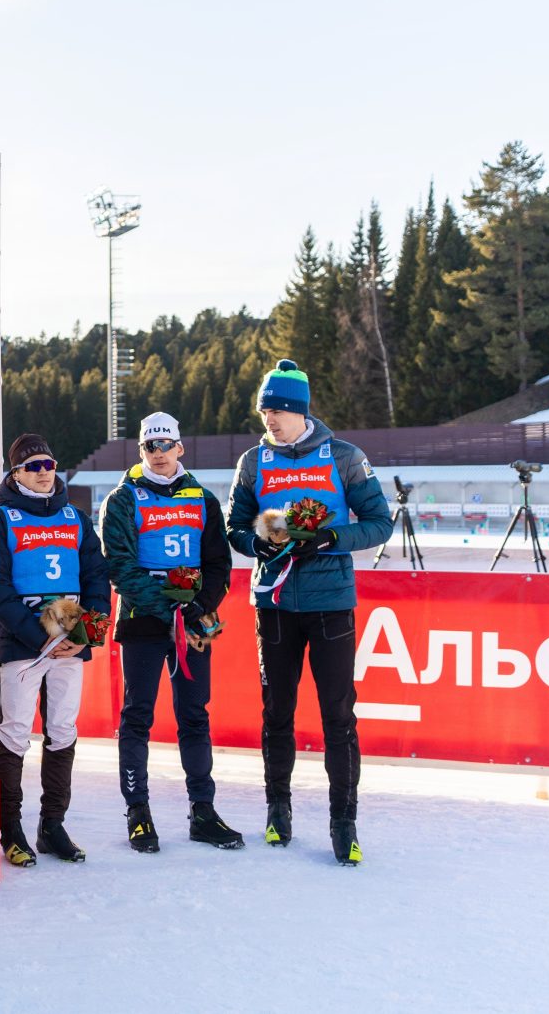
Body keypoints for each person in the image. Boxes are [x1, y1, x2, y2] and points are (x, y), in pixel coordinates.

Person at [225, 359, 392, 865]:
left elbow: (379, 523)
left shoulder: (343, 457)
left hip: (330, 604)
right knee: (277, 711)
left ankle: (344, 821)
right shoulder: (253, 461)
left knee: (338, 715)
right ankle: (278, 809)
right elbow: (235, 526)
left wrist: (330, 538)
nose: (268, 420)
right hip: (274, 604)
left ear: (299, 411)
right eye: (264, 412)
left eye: (275, 411)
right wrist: (258, 544)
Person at [98, 412, 242, 854]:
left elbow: (219, 564)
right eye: (150, 446)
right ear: (141, 450)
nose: (158, 453)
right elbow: (120, 568)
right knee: (138, 716)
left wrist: (199, 608)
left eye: (166, 445)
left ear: (180, 447)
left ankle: (203, 811)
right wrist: (171, 610)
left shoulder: (203, 499)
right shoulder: (123, 499)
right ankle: (138, 812)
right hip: (143, 620)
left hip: (193, 624)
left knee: (195, 715)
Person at [0, 433, 110, 867]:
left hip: (70, 645)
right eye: (33, 466)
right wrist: (39, 637)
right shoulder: (0, 521)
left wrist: (88, 632)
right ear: (16, 474)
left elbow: (96, 577)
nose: (43, 472)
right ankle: (9, 829)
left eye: (48, 464)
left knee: (63, 730)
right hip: (24, 645)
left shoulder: (76, 517)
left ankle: (53, 825)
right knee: (15, 732)